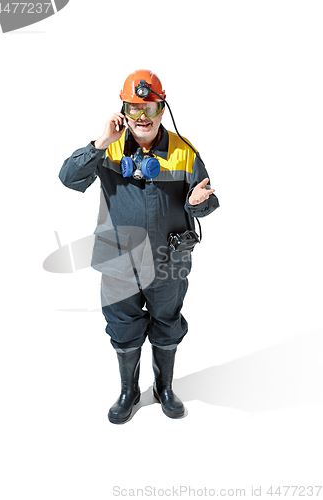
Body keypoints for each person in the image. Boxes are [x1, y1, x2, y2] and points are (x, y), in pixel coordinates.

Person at [59, 69, 220, 424]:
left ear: (162, 109)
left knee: (167, 324)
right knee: (123, 327)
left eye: (150, 107)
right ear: (123, 110)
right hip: (119, 265)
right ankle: (129, 391)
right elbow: (69, 178)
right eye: (134, 108)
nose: (142, 117)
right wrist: (99, 142)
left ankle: (164, 388)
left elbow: (208, 201)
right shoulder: (109, 148)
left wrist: (198, 202)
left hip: (169, 263)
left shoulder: (183, 151)